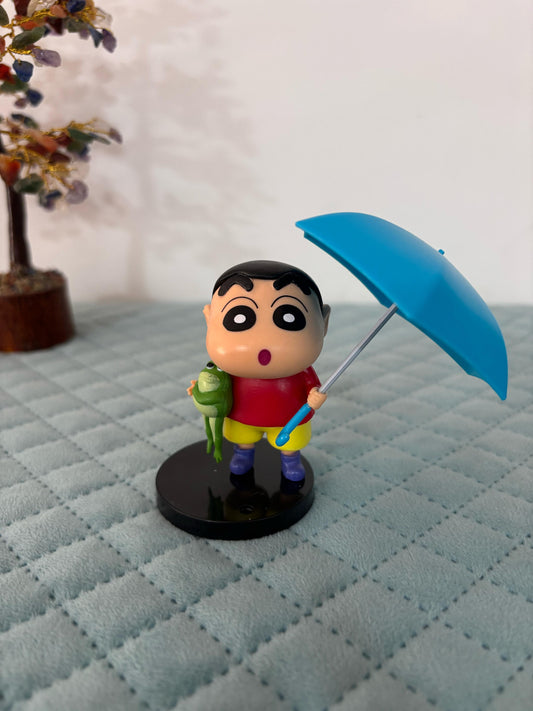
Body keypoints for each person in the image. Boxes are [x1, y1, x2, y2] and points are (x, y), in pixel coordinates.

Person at [188, 260, 330, 482]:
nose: (263, 342)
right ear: (210, 319)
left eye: (289, 317)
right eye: (239, 317)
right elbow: (217, 387)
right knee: (241, 437)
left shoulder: (301, 371)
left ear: (324, 323)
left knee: (291, 443)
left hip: (289, 417)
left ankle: (291, 460)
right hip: (242, 415)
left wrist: (315, 397)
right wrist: (203, 391)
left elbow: (313, 389)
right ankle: (242, 454)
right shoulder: (227, 370)